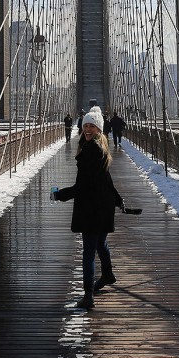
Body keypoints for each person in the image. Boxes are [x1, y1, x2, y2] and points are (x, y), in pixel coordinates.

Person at [53, 106, 123, 309]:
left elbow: (81, 187)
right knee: (101, 242)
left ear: (100, 129)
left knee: (88, 252)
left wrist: (58, 195)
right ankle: (108, 274)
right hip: (104, 205)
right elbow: (107, 180)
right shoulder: (102, 148)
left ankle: (88, 296)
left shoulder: (89, 151)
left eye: (92, 126)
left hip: (92, 207)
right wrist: (117, 199)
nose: (88, 129)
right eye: (85, 125)